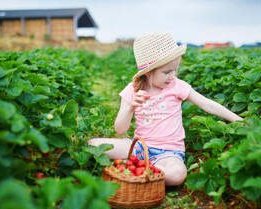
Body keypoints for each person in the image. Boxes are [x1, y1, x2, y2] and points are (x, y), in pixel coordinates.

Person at [88, 32, 243, 186]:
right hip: (139, 147)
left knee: (177, 174)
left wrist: (237, 119)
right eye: (167, 72)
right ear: (148, 72)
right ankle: (148, 170)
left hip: (168, 153)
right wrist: (130, 108)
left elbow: (207, 104)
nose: (172, 76)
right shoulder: (132, 90)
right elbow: (120, 130)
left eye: (175, 70)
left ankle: (138, 169)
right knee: (93, 144)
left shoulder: (177, 86)